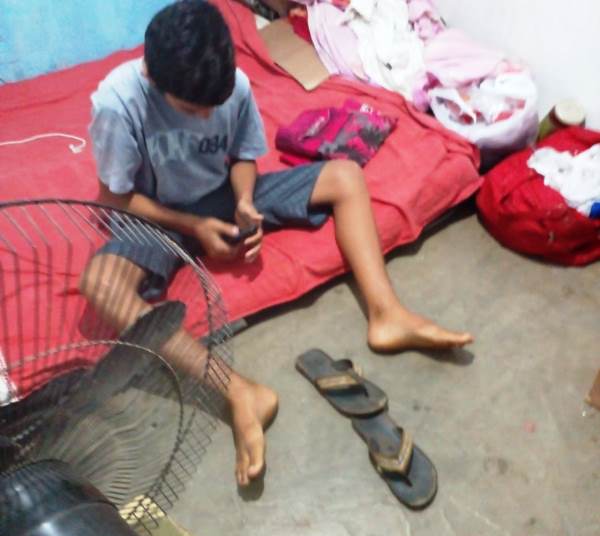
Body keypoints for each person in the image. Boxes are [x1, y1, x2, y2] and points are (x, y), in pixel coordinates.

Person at [82, 0, 473, 487]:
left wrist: (246, 201)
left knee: (345, 176)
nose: (205, 116)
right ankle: (239, 391)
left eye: (212, 107)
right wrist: (194, 226)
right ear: (153, 78)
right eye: (190, 110)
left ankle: (386, 314)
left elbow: (244, 158)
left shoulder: (231, 85)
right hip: (159, 215)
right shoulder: (118, 102)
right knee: (101, 285)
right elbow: (114, 199)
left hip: (223, 196)